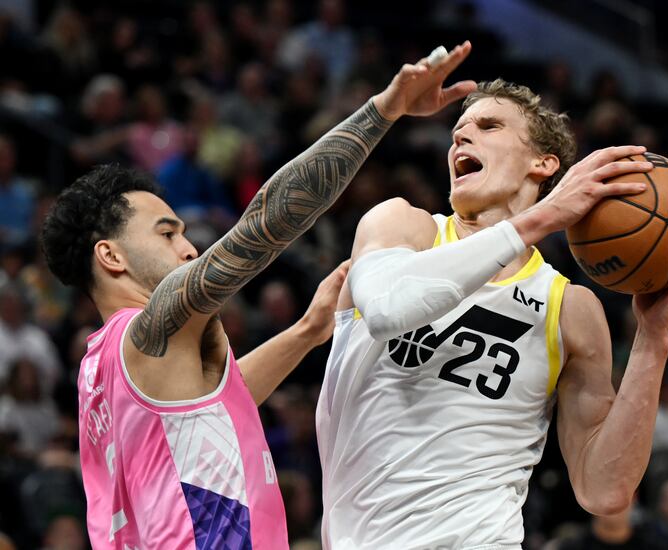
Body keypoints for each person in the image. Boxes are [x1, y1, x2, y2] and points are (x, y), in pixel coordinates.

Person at [39, 42, 477, 549]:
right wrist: (383, 110)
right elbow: (267, 219)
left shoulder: (100, 365)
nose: (188, 247)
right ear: (111, 257)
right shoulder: (154, 325)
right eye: (167, 234)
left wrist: (305, 333)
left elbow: (211, 410)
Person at [316, 78, 668, 548]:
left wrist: (653, 338)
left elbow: (604, 490)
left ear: (543, 165)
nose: (462, 137)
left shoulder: (570, 309)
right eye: (458, 131)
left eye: (489, 126)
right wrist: (545, 216)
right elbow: (387, 311)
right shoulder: (404, 227)